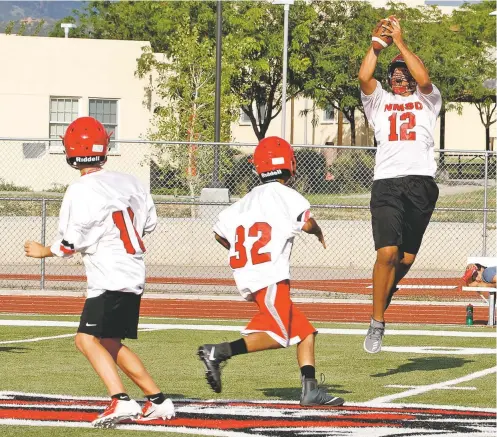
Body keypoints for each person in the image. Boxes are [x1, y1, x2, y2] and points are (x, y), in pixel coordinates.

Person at [24, 117, 175, 428]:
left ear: (70, 152)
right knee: (108, 342)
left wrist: (43, 251)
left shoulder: (81, 190)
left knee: (85, 340)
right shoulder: (132, 182)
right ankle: (159, 401)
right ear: (104, 149)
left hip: (109, 275)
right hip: (132, 271)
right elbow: (147, 225)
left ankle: (120, 400)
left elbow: (69, 243)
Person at [197, 136, 344, 407]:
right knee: (279, 335)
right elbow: (306, 222)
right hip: (271, 277)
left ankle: (310, 391)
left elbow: (219, 233)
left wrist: (239, 251)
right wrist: (318, 231)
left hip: (253, 276)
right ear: (290, 164)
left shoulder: (245, 202)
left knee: (305, 333)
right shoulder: (288, 196)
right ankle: (218, 352)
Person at [358, 16, 442, 353]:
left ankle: (384, 295)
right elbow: (365, 76)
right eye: (394, 70)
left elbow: (422, 76)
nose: (398, 74)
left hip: (421, 183)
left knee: (405, 258)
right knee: (387, 252)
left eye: (402, 70)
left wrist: (402, 43)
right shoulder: (379, 101)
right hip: (388, 183)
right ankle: (377, 322)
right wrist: (378, 45)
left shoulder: (427, 99)